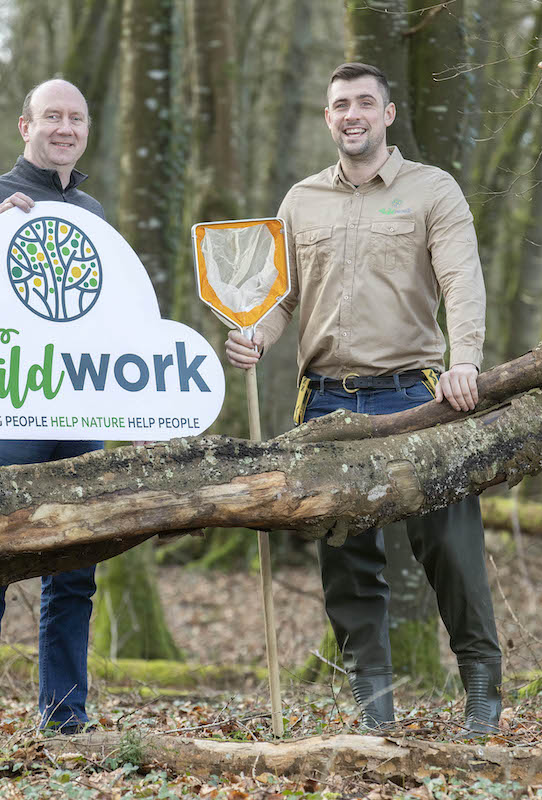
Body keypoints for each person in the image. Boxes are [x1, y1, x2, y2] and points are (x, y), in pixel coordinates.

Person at [225, 62, 503, 734]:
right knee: (348, 566)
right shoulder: (301, 201)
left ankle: (484, 692)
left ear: (388, 113)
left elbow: (462, 282)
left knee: (451, 550)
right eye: (340, 104)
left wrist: (464, 362)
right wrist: (254, 337)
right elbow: (279, 296)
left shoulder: (433, 191)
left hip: (417, 397)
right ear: (329, 118)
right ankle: (373, 710)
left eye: (364, 103)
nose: (352, 114)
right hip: (327, 406)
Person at [0, 79, 104, 737]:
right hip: (9, 407)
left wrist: (137, 410)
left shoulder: (90, 209)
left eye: (76, 118)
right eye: (52, 116)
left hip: (83, 410)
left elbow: (112, 316)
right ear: (25, 125)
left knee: (75, 569)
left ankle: (65, 718)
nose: (64, 127)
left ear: (85, 130)